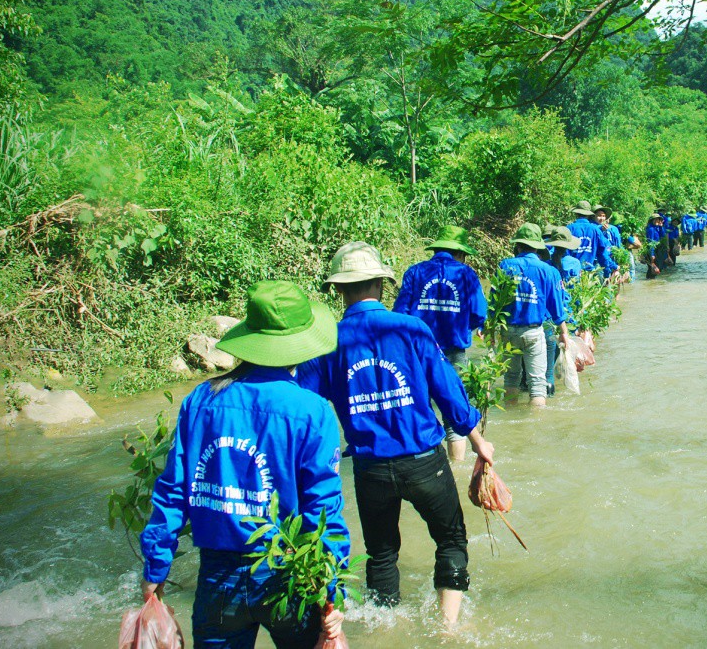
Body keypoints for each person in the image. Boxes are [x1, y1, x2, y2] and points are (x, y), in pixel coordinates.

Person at [141, 280, 348, 649]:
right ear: (298, 346)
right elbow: (322, 512)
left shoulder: (201, 399)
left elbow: (173, 490)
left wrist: (155, 568)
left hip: (218, 581)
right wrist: (331, 593)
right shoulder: (312, 411)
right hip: (288, 576)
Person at [297, 242, 495, 627]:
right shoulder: (411, 329)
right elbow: (447, 389)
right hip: (424, 462)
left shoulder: (329, 343)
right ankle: (448, 629)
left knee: (382, 555)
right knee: (451, 541)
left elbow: (302, 403)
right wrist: (477, 440)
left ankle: (384, 627)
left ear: (339, 290)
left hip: (370, 469)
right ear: (383, 286)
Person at [392, 224, 487, 460]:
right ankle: (457, 470)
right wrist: (462, 325)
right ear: (461, 253)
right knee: (456, 415)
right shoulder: (467, 274)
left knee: (420, 411)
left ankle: (426, 464)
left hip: (415, 354)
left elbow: (400, 313)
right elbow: (479, 313)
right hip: (453, 352)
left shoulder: (414, 272)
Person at [499, 223, 572, 407]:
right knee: (538, 384)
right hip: (533, 331)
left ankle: (511, 418)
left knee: (511, 379)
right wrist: (564, 331)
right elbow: (555, 306)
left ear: (518, 245)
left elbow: (495, 299)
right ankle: (536, 428)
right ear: (538, 245)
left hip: (508, 331)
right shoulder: (549, 270)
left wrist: (489, 327)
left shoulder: (505, 265)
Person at [542, 224, 581, 397]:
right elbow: (578, 293)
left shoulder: (545, 265)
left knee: (547, 362)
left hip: (549, 317)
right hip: (568, 316)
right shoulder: (574, 263)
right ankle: (554, 390)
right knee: (564, 357)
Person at [566, 200, 618, 278]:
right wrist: (608, 272)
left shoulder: (569, 229)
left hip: (572, 274)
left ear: (576, 214)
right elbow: (602, 253)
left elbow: (563, 253)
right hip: (589, 275)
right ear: (588, 215)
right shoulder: (595, 230)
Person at [645, 213, 665, 278]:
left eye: (658, 219)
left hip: (657, 249)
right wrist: (652, 254)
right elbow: (651, 242)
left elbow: (663, 235)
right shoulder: (650, 229)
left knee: (656, 268)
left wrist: (661, 226)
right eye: (656, 220)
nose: (657, 221)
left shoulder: (657, 228)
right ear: (652, 220)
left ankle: (651, 283)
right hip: (651, 250)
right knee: (652, 269)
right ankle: (649, 282)